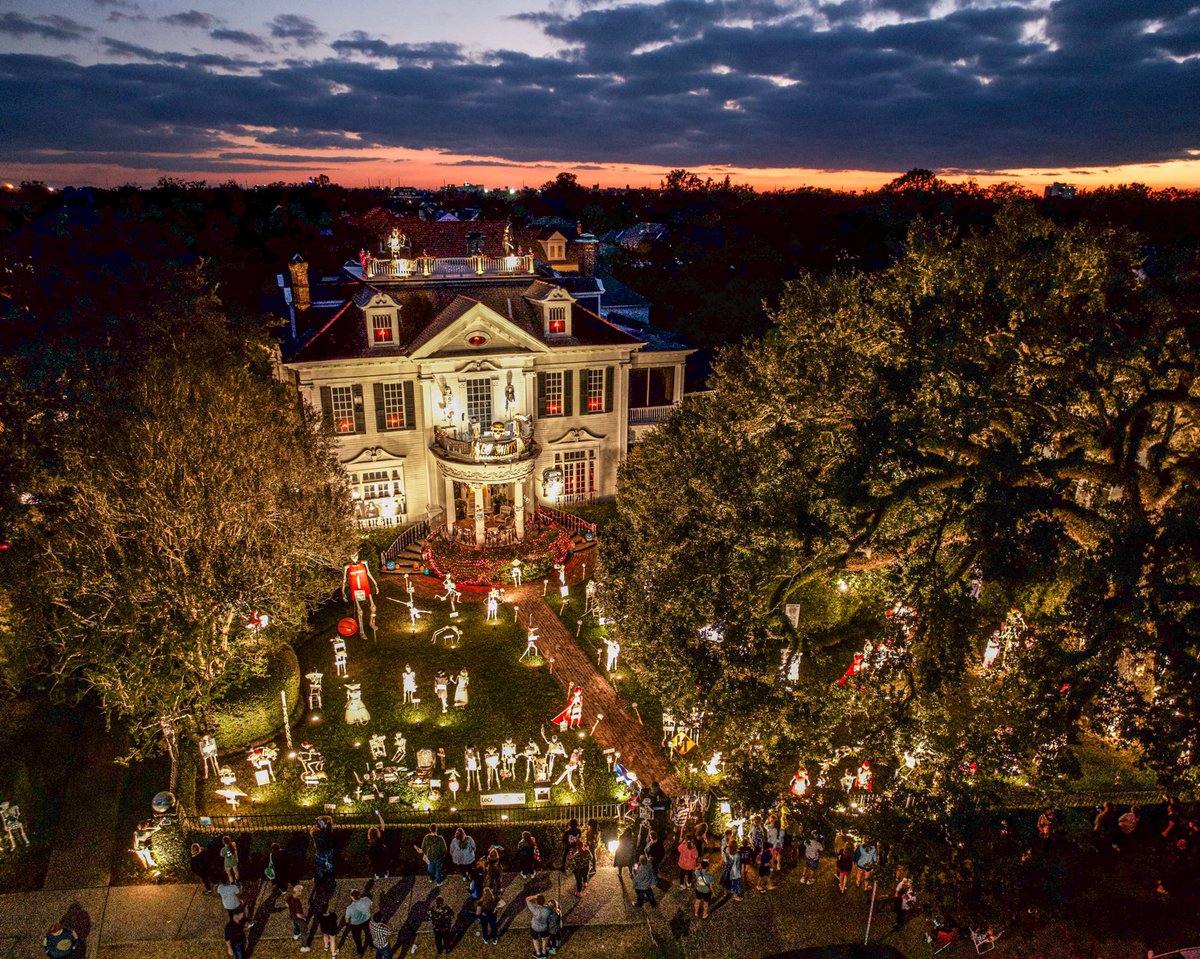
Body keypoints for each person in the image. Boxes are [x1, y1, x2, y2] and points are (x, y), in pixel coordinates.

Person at [343, 888, 373, 957]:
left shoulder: (350, 908)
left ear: (352, 897)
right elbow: (371, 906)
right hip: (366, 920)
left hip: (356, 925)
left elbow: (347, 920)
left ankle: (360, 951)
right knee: (368, 932)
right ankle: (371, 943)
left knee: (357, 939)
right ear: (359, 895)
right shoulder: (366, 899)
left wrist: (348, 923)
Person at [527, 894, 552, 959]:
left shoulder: (534, 909)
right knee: (544, 939)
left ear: (537, 901)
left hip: (535, 927)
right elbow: (551, 912)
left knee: (535, 939)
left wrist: (535, 896)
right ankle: (544, 952)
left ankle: (538, 953)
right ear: (544, 901)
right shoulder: (548, 910)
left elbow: (527, 899)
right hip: (544, 927)